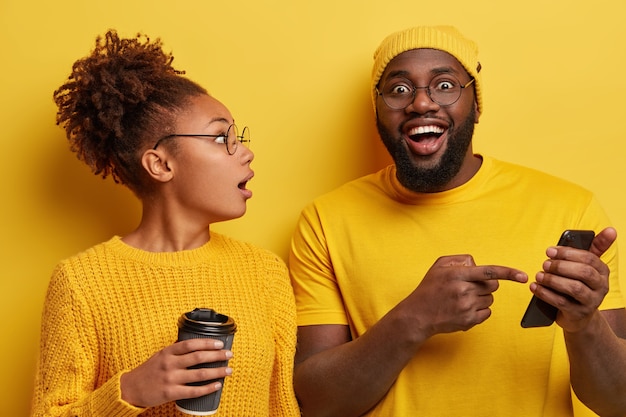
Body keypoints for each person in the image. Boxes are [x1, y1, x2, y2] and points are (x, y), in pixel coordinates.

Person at [289, 25, 626, 417]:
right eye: (399, 89)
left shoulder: (571, 207)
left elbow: (618, 403)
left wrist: (584, 325)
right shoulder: (326, 220)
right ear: (378, 109)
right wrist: (414, 319)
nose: (420, 104)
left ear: (477, 104)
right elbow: (317, 404)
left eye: (445, 85)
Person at [31, 29, 300, 417]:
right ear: (161, 164)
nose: (246, 152)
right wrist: (132, 391)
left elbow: (282, 408)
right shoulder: (81, 283)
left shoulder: (265, 273)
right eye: (221, 137)